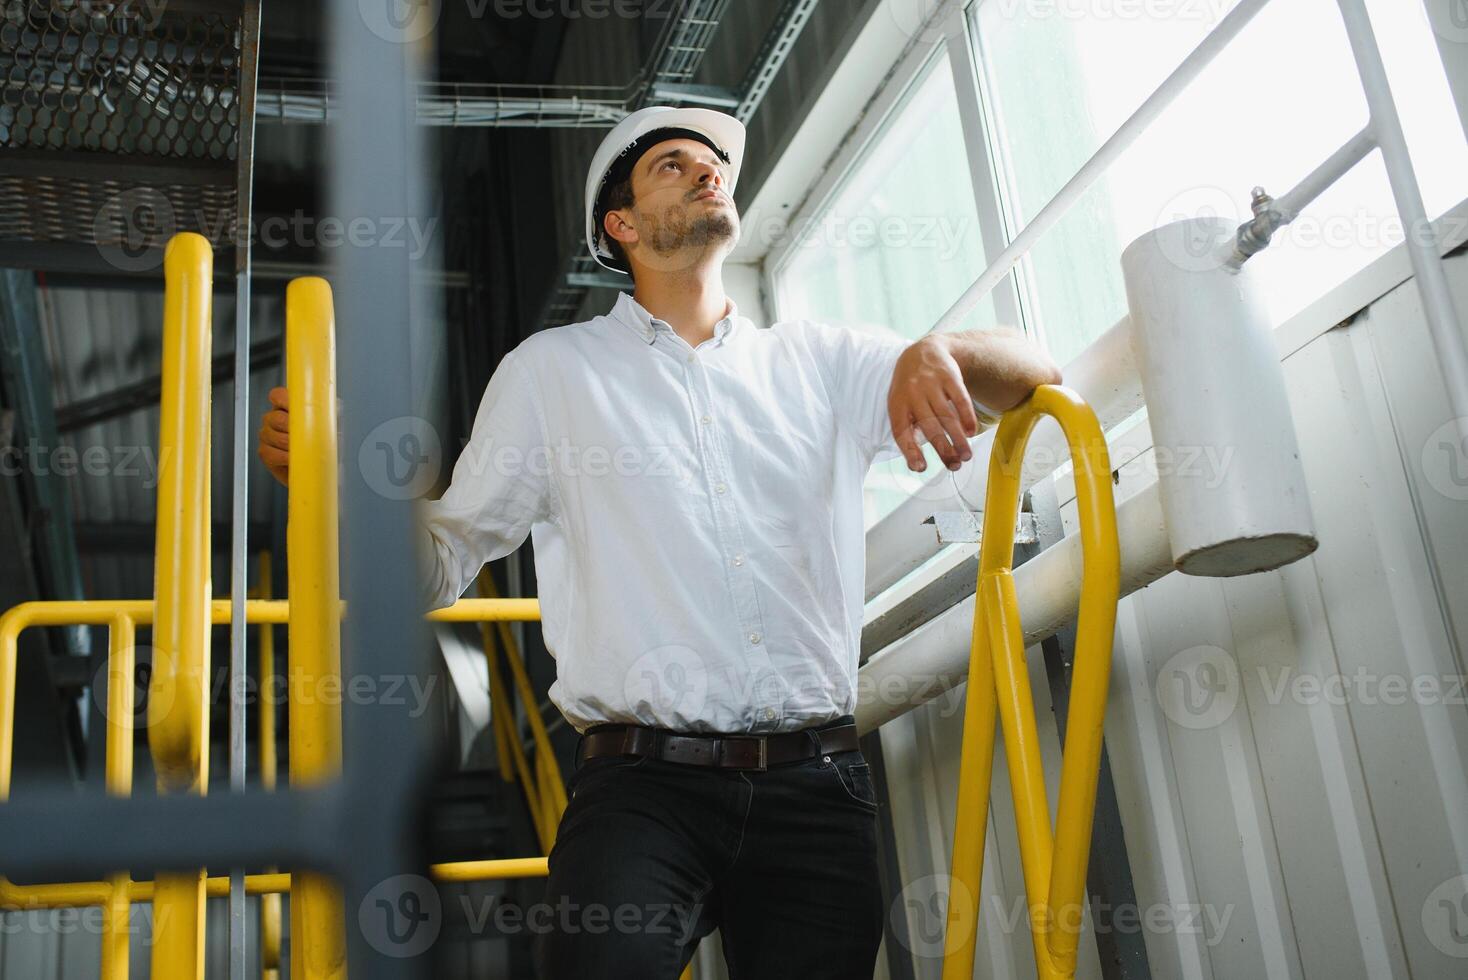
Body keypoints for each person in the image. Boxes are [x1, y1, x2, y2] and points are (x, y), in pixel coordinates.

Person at [257, 105, 1060, 979]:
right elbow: (440, 563)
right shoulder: (551, 373)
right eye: (674, 165)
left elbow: (1035, 373)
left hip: (817, 782)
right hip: (642, 792)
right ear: (623, 225)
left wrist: (937, 349)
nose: (710, 170)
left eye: (715, 162)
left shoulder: (824, 362)